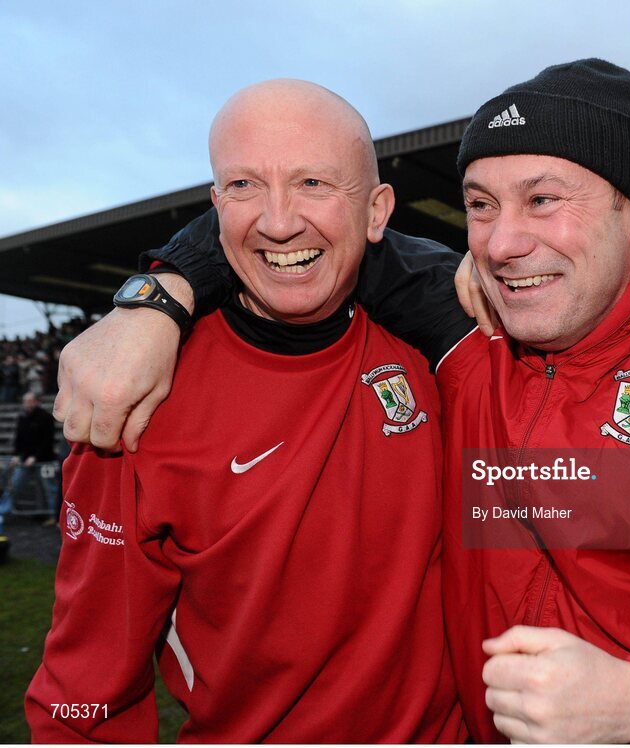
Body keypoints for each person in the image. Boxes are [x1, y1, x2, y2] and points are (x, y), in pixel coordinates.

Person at [56, 60, 630, 742]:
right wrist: (155, 297)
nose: (504, 241)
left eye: (544, 199)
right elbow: (298, 229)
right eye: (481, 204)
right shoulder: (458, 343)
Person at [25, 80, 463, 742]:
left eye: (313, 182)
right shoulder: (137, 396)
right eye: (243, 186)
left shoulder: (443, 360)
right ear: (213, 206)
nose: (279, 221)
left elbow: (598, 522)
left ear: (377, 212)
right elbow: (83, 698)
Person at [0, 392, 59, 533]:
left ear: (36, 402)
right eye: (25, 401)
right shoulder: (22, 417)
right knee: (14, 485)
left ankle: (54, 515)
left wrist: (35, 457)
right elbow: (18, 438)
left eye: (30, 401)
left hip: (44, 460)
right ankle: (2, 511)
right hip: (25, 460)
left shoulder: (46, 417)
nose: (27, 403)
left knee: (50, 488)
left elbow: (47, 441)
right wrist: (16, 455)